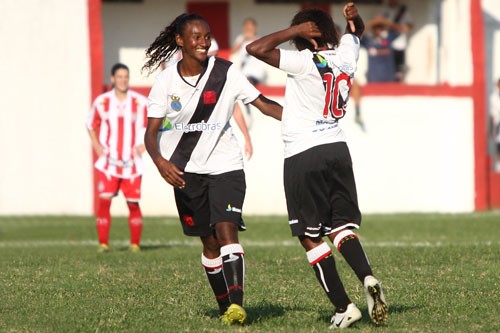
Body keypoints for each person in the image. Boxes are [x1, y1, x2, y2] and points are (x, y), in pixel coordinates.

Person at [246, 2, 388, 329]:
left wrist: (295, 30)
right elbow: (357, 32)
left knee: (309, 235)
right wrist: (354, 19)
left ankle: (344, 307)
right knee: (339, 226)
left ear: (309, 38)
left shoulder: (303, 61)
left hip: (303, 154)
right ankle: (367, 277)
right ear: (332, 33)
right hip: (337, 148)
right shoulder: (347, 55)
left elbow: (255, 48)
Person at [142, 13, 282, 325]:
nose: (204, 42)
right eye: (197, 37)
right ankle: (224, 308)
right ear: (180, 41)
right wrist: (161, 163)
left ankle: (237, 305)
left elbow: (263, 104)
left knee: (226, 229)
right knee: (208, 243)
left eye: (207, 36)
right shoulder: (165, 82)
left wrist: (301, 118)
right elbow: (150, 134)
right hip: (185, 171)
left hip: (226, 166)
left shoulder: (227, 73)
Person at [86, 63, 147, 253]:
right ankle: (103, 243)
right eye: (119, 77)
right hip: (108, 162)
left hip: (132, 163)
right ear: (112, 79)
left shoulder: (140, 102)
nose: (123, 80)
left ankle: (135, 244)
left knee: (133, 203)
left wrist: (144, 146)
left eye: (126, 77)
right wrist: (97, 147)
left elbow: (162, 123)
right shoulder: (102, 102)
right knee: (104, 201)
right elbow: (90, 125)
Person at [162, 37, 254, 159]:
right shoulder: (183, 80)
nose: (212, 60)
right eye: (209, 55)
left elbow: (235, 108)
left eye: (215, 55)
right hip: (190, 151)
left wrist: (246, 137)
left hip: (218, 149)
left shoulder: (221, 78)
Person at [231, 18, 267, 127]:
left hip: (256, 73)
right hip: (244, 73)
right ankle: (245, 112)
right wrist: (243, 39)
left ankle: (248, 113)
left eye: (250, 27)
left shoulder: (259, 39)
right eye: (246, 27)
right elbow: (233, 50)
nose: (248, 30)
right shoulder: (241, 39)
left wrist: (251, 39)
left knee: (246, 85)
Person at [378, 0, 413, 82]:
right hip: (385, 40)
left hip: (399, 42)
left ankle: (397, 80)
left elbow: (408, 26)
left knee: (399, 67)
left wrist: (396, 26)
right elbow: (378, 22)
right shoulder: (383, 9)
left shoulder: (403, 10)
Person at [361, 17, 399, 83]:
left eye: (381, 28)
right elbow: (359, 33)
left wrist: (385, 21)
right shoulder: (368, 41)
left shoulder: (388, 39)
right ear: (373, 30)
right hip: (373, 78)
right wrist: (372, 22)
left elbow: (400, 29)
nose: (378, 30)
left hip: (389, 78)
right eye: (376, 28)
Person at [490, 78, 500, 172]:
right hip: (497, 128)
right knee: (497, 148)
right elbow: (493, 116)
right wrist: (492, 131)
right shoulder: (494, 97)